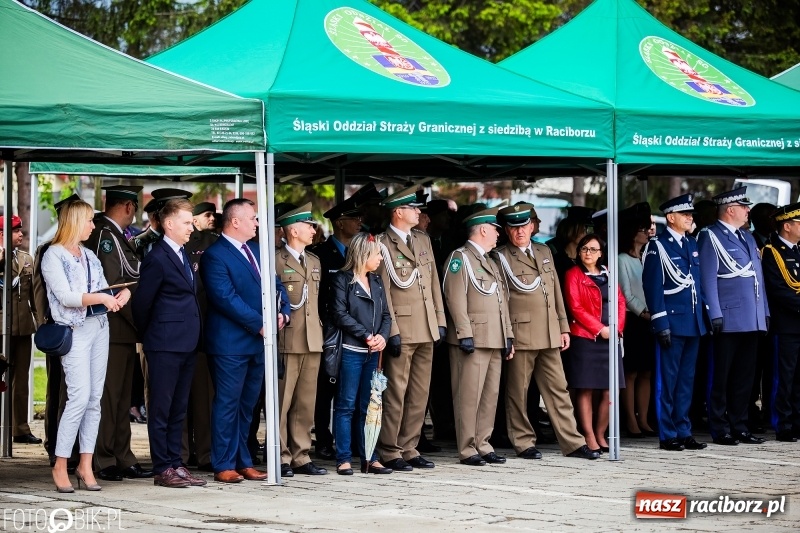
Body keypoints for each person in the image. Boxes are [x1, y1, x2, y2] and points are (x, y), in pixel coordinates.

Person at [493, 203, 599, 461]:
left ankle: (573, 442)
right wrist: (507, 334)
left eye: (524, 226)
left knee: (558, 389)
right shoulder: (500, 256)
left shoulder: (544, 251)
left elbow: (555, 292)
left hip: (550, 331)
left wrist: (563, 326)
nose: (520, 231)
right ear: (507, 230)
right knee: (518, 393)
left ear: (532, 226)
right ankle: (523, 442)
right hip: (521, 333)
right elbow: (500, 300)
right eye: (514, 227)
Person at [41, 200, 130, 492]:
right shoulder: (53, 255)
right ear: (75, 222)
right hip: (74, 330)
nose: (93, 226)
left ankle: (86, 464)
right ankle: (60, 463)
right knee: (78, 398)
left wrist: (119, 295)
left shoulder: (90, 254)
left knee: (94, 399)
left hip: (99, 327)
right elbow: (66, 297)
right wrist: (103, 298)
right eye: (89, 221)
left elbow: (101, 288)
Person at [132, 199, 206, 488]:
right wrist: (153, 336)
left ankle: (176, 463)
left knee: (178, 409)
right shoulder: (157, 257)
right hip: (164, 344)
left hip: (186, 343)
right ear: (169, 224)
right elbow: (142, 304)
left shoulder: (182, 253)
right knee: (161, 409)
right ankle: (162, 467)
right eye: (187, 223)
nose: (192, 228)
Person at [200, 198, 274, 483]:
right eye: (252, 218)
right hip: (230, 343)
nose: (257, 223)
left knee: (247, 406)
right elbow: (225, 297)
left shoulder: (256, 250)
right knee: (228, 405)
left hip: (257, 342)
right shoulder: (215, 255)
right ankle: (223, 463)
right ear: (235, 221)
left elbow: (276, 285)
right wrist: (260, 324)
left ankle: (244, 460)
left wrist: (281, 311)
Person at [84, 185, 153, 482]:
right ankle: (104, 457)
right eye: (134, 207)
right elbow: (113, 285)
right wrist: (141, 323)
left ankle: (123, 455)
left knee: (123, 398)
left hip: (123, 331)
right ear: (128, 206)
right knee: (109, 398)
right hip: (112, 327)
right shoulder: (105, 235)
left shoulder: (116, 235)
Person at [375, 186, 446, 472]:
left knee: (419, 393)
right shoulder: (381, 243)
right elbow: (383, 292)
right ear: (398, 212)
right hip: (402, 328)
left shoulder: (422, 239)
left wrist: (440, 321)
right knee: (396, 393)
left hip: (426, 326)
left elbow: (433, 283)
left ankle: (409, 447)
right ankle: (390, 449)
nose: (418, 212)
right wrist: (391, 330)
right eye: (413, 208)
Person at [442, 207, 514, 466]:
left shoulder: (490, 260)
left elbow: (501, 301)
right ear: (483, 229)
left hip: (494, 337)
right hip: (472, 338)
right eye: (495, 229)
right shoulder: (459, 258)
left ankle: (483, 444)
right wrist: (464, 333)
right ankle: (467, 448)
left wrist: (508, 335)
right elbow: (454, 297)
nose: (498, 234)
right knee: (468, 396)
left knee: (489, 396)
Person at [698, 187, 769, 446]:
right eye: (744, 206)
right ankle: (720, 427)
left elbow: (758, 279)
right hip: (727, 319)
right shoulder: (710, 236)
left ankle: (740, 426)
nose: (748, 210)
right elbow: (707, 279)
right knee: (721, 377)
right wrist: (715, 313)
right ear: (730, 210)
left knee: (744, 378)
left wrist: (764, 312)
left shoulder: (747, 237)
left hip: (751, 318)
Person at [642, 195, 707, 452]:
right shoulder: (657, 246)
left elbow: (697, 284)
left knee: (686, 381)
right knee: (667, 382)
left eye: (691, 214)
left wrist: (705, 316)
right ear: (671, 217)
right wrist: (660, 323)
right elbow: (653, 287)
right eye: (685, 214)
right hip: (671, 321)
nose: (690, 218)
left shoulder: (691, 242)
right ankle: (667, 433)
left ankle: (684, 430)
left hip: (692, 321)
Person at [329, 232, 393, 475]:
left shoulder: (376, 280)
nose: (380, 258)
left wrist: (382, 337)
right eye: (377, 254)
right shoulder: (342, 279)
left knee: (369, 406)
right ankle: (343, 458)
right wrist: (366, 335)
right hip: (351, 351)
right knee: (346, 405)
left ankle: (370, 457)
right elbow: (339, 314)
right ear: (364, 255)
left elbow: (386, 315)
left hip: (373, 353)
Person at [309, 194, 364, 461]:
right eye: (354, 218)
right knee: (325, 388)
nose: (359, 222)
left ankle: (349, 441)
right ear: (340, 223)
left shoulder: (359, 254)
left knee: (349, 388)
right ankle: (323, 439)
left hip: (354, 331)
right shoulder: (320, 254)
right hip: (328, 330)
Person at [274, 203, 327, 477]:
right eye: (308, 225)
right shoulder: (276, 260)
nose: (313, 230)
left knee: (305, 403)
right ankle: (281, 456)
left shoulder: (314, 261)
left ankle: (301, 455)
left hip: (312, 339)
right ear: (293, 230)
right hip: (288, 338)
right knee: (282, 402)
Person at [563, 234, 625, 453]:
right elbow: (575, 307)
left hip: (611, 337)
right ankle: (588, 435)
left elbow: (620, 301)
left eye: (593, 249)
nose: (587, 253)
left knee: (611, 390)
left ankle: (600, 433)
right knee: (585, 388)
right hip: (585, 338)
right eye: (584, 249)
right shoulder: (573, 274)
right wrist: (600, 329)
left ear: (601, 254)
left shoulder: (609, 272)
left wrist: (616, 329)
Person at [34, 194, 80, 467]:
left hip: (83, 327)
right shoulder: (48, 250)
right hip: (59, 328)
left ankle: (77, 448)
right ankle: (55, 444)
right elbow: (40, 291)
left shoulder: (83, 249)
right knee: (58, 389)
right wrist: (46, 324)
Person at [181, 202, 220, 472]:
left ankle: (205, 453)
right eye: (207, 215)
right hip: (182, 330)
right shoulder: (179, 245)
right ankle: (181, 454)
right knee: (180, 398)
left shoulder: (213, 242)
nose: (213, 219)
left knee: (205, 396)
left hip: (207, 329)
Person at [758, 203, 800, 442]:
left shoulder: (798, 251)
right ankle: (781, 424)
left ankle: (797, 421)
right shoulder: (772, 252)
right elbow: (777, 289)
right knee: (782, 377)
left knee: (798, 378)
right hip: (785, 325)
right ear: (787, 226)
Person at [617, 203, 657, 438]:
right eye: (643, 229)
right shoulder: (622, 258)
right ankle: (631, 420)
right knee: (631, 372)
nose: (647, 232)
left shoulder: (647, 256)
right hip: (634, 320)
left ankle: (644, 419)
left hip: (650, 319)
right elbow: (625, 293)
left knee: (646, 372)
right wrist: (644, 313)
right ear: (633, 233)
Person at [0, 214, 40, 445]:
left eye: (20, 230)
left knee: (21, 380)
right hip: (0, 328)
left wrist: (40, 321)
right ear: (2, 234)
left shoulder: (26, 258)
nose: (20, 234)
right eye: (15, 231)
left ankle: (20, 428)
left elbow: (34, 295)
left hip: (23, 327)